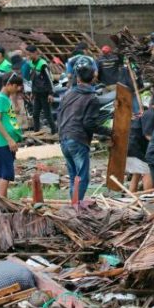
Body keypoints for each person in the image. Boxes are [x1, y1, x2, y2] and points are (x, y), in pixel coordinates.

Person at [58, 57, 112, 201]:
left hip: (64, 138)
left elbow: (59, 115)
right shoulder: (92, 98)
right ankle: (76, 208)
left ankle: (73, 205)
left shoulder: (68, 94)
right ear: (93, 77)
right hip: (77, 139)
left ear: (78, 78)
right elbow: (89, 124)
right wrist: (109, 132)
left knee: (73, 177)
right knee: (82, 177)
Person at [126, 93, 154, 193]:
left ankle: (133, 198)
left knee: (136, 174)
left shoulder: (148, 113)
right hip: (136, 149)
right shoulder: (151, 114)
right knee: (149, 171)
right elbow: (148, 134)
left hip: (131, 148)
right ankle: (148, 197)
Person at [0, 72, 24, 197]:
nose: (18, 89)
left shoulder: (6, 98)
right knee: (6, 173)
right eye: (16, 86)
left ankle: (3, 202)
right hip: (3, 141)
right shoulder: (0, 99)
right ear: (9, 84)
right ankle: (1, 203)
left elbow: (11, 117)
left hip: (6, 140)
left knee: (4, 173)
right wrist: (9, 139)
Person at [25, 45, 56, 134]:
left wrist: (51, 93)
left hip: (45, 93)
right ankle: (36, 131)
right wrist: (32, 92)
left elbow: (49, 79)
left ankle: (54, 131)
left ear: (35, 53)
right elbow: (33, 79)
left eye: (29, 54)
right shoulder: (31, 63)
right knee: (35, 114)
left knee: (47, 114)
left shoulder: (43, 64)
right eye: (27, 55)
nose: (28, 57)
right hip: (37, 93)